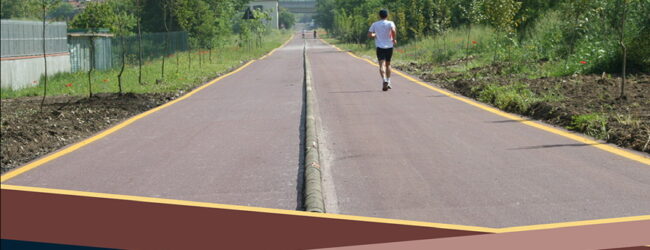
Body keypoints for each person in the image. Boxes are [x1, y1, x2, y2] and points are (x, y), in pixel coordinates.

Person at [368, 9, 397, 91]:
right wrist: (394, 39)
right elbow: (393, 30)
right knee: (388, 64)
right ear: (387, 15)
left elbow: (370, 34)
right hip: (389, 46)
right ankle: (388, 81)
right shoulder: (390, 23)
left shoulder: (375, 24)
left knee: (381, 65)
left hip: (380, 47)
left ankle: (384, 80)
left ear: (379, 16)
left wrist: (375, 34)